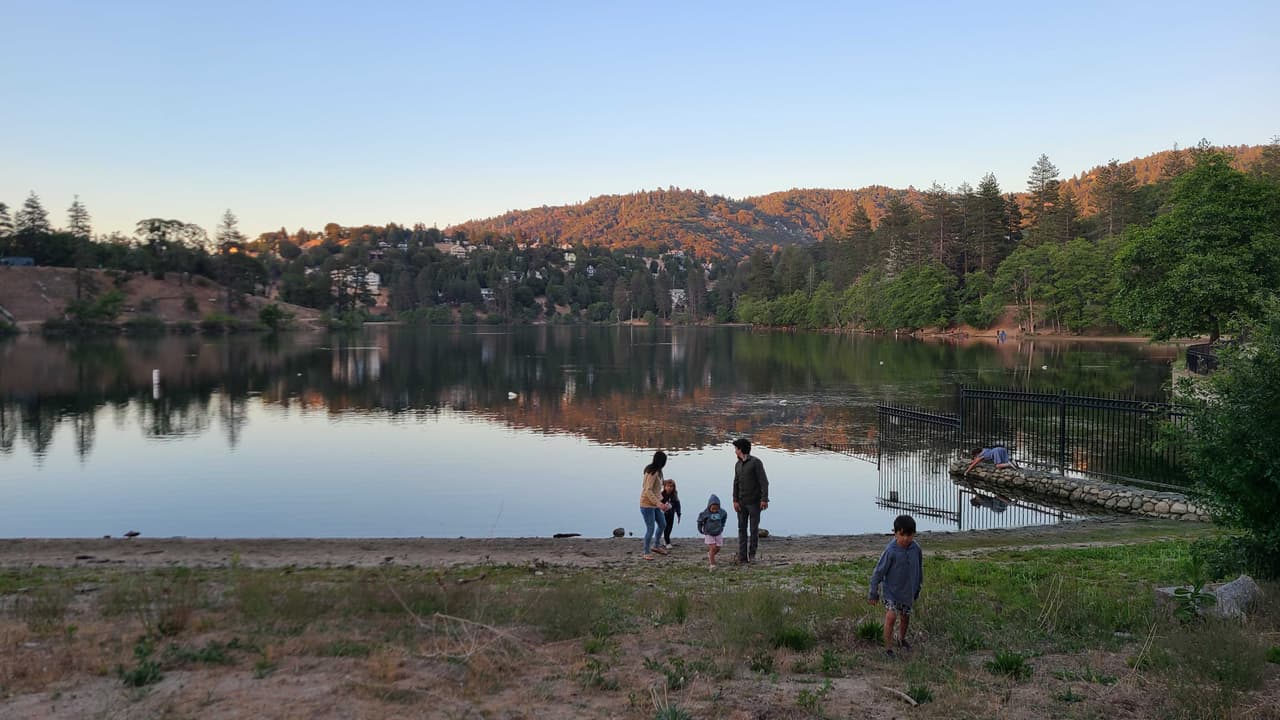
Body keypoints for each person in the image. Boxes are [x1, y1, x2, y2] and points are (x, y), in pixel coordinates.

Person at [868, 514, 924, 657]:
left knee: (905, 616)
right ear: (895, 533)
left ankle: (901, 639)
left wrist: (917, 587)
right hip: (891, 592)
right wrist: (873, 593)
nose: (905, 538)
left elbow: (919, 568)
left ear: (914, 534)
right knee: (891, 617)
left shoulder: (916, 549)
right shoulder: (891, 551)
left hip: (907, 591)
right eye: (902, 534)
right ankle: (888, 649)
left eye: (909, 535)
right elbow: (878, 572)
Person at [731, 438, 769, 564]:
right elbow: (735, 483)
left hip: (754, 502)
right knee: (741, 529)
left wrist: (764, 499)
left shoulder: (756, 462)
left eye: (736, 449)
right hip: (741, 503)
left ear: (740, 449)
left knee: (753, 530)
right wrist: (735, 500)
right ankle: (742, 557)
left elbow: (764, 482)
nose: (735, 451)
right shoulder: (737, 464)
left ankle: (752, 555)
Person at [639, 451, 670, 560]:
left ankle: (656, 546)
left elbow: (656, 491)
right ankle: (646, 552)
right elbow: (648, 490)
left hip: (655, 504)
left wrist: (662, 502)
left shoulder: (658, 471)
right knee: (650, 528)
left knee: (662, 524)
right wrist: (658, 504)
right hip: (646, 505)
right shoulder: (652, 472)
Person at [696, 493, 729, 569]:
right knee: (713, 547)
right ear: (709, 506)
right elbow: (699, 521)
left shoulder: (722, 512)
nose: (714, 510)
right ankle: (712, 564)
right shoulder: (705, 513)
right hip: (709, 533)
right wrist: (700, 529)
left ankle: (710, 554)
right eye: (713, 508)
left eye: (716, 509)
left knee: (718, 548)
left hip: (718, 532)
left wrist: (722, 526)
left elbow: (724, 517)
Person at [660, 478, 682, 548]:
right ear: (665, 487)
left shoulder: (674, 495)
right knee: (665, 527)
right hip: (663, 514)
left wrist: (678, 514)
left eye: (671, 486)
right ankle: (667, 542)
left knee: (670, 527)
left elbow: (678, 505)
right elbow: (657, 503)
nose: (669, 488)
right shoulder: (661, 494)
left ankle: (665, 540)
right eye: (668, 486)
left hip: (671, 514)